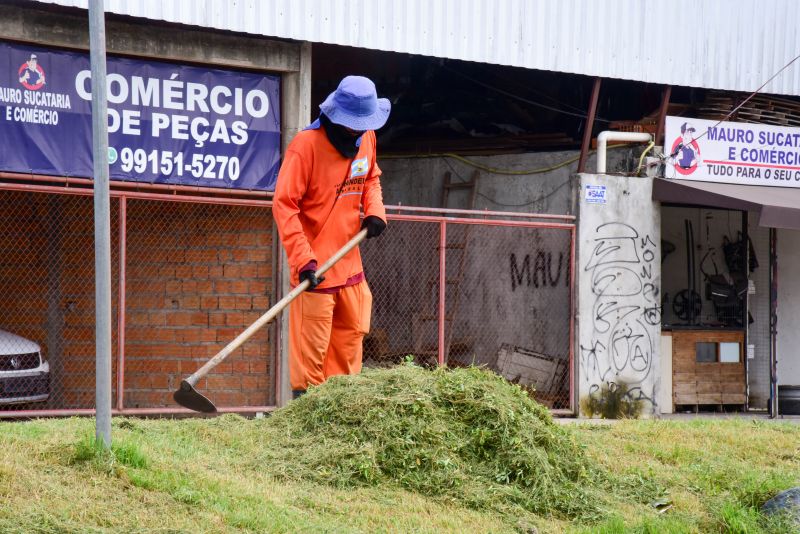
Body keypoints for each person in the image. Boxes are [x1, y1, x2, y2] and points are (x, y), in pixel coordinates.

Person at [273, 76, 391, 399]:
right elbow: (285, 206)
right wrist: (302, 259)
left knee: (348, 363)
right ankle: (305, 436)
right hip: (316, 274)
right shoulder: (305, 147)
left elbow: (371, 178)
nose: (358, 131)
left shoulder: (367, 139)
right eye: (353, 124)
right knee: (311, 374)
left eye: (364, 124)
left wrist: (375, 210)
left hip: (350, 271)